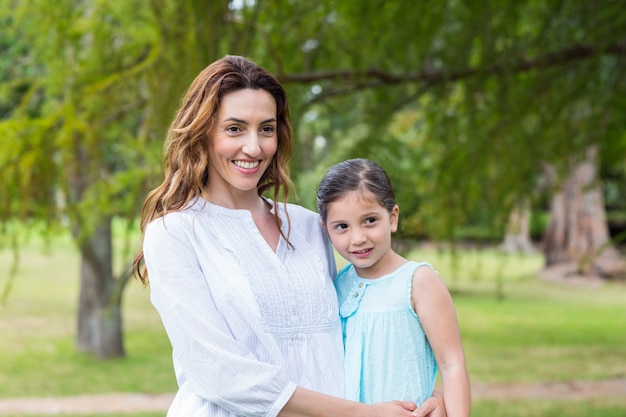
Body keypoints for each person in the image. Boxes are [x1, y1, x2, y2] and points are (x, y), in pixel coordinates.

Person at [131, 55, 447, 417]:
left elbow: (363, 326)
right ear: (203, 133)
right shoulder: (175, 233)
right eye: (235, 129)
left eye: (266, 129)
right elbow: (219, 374)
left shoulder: (310, 227)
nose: (254, 147)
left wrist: (425, 393)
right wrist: (361, 414)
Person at [317, 158, 471, 417]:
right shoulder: (335, 285)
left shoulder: (417, 282)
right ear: (326, 230)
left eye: (369, 221)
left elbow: (452, 364)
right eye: (342, 226)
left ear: (393, 218)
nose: (358, 238)